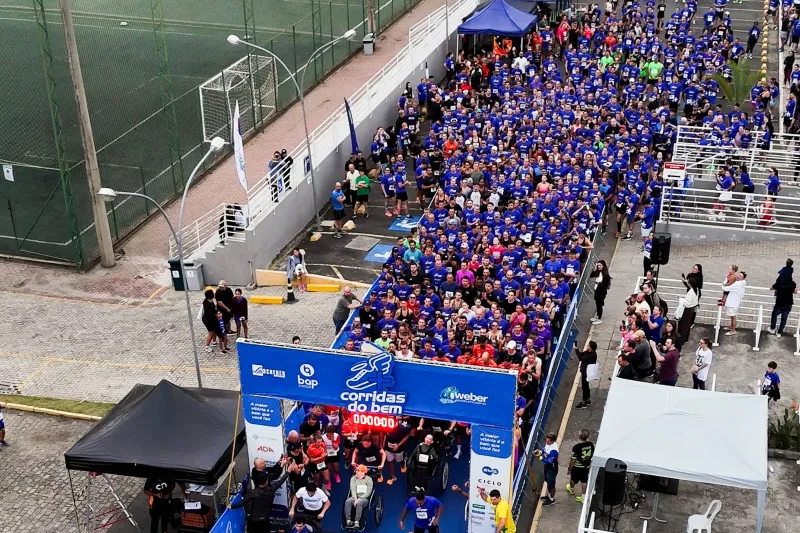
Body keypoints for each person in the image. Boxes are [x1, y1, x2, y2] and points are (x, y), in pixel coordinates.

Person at [229, 458, 290, 533]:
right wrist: (284, 468)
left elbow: (243, 502)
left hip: (256, 517)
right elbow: (277, 478)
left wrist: (232, 506)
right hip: (264, 516)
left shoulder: (253, 492)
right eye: (263, 462)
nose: (265, 463)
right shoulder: (270, 489)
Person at [768, 262, 797, 336]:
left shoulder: (779, 283)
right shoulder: (792, 284)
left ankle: (772, 328)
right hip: (788, 304)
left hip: (780, 304)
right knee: (784, 319)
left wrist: (771, 288)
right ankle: (780, 332)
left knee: (774, 314)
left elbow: (773, 287)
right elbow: (795, 291)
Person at [565, 429, 594, 503]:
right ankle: (583, 497)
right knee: (584, 481)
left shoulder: (576, 447)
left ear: (579, 436)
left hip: (577, 467)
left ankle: (571, 489)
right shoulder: (591, 445)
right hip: (586, 467)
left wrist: (569, 469)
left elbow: (573, 460)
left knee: (573, 479)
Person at [383, 416, 411, 484]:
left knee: (399, 460)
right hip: (388, 448)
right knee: (390, 461)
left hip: (399, 449)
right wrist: (383, 445)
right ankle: (392, 476)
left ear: (397, 421)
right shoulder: (386, 426)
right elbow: (383, 435)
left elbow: (406, 436)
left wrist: (398, 445)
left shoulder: (403, 428)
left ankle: (403, 463)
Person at [534, 432, 559, 506]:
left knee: (551, 485)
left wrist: (540, 457)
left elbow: (549, 462)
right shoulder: (548, 444)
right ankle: (548, 496)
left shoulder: (554, 451)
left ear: (552, 441)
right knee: (548, 482)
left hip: (552, 469)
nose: (546, 442)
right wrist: (540, 451)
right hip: (547, 468)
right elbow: (544, 449)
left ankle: (552, 499)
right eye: (546, 440)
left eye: (548, 441)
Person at [575, 341, 597, 409]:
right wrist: (576, 349)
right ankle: (587, 399)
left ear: (591, 347)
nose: (587, 346)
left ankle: (584, 401)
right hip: (585, 371)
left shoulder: (592, 355)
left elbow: (581, 358)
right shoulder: (588, 352)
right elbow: (581, 354)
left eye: (588, 345)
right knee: (586, 385)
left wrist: (576, 350)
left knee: (584, 386)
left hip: (587, 372)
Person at [678, 276, 700, 345]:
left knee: (684, 324)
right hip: (691, 309)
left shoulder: (692, 291)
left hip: (687, 309)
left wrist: (680, 299)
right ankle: (685, 338)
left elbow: (687, 303)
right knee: (687, 324)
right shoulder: (696, 290)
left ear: (690, 283)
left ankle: (682, 338)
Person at [724, 271, 747, 336]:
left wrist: (724, 284)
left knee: (733, 317)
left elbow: (726, 288)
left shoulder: (737, 284)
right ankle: (731, 327)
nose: (738, 276)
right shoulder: (740, 283)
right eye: (739, 275)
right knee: (732, 316)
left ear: (743, 278)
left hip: (733, 303)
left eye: (741, 276)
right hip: (735, 302)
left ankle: (733, 330)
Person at [589, 260, 611, 324]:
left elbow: (605, 284)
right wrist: (595, 269)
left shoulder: (605, 274)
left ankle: (599, 318)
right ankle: (597, 316)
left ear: (603, 265)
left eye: (600, 265)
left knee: (599, 304)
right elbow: (592, 275)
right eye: (598, 265)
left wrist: (598, 283)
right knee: (597, 303)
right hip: (596, 289)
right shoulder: (598, 272)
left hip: (601, 291)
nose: (599, 266)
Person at [201, 289, 218, 353]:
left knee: (214, 331)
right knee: (211, 333)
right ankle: (207, 346)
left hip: (208, 319)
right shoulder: (209, 305)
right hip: (209, 321)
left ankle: (214, 341)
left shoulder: (207, 301)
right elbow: (211, 315)